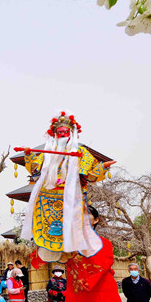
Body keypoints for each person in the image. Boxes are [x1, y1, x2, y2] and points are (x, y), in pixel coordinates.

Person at [21, 112, 115, 263]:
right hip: (47, 198)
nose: (63, 135)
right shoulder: (47, 154)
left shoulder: (81, 153)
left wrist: (102, 167)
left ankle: (71, 251)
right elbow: (35, 169)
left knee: (71, 227)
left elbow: (90, 175)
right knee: (48, 225)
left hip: (71, 197)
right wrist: (28, 155)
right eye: (60, 132)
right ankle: (49, 250)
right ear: (55, 135)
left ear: (71, 134)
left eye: (66, 132)